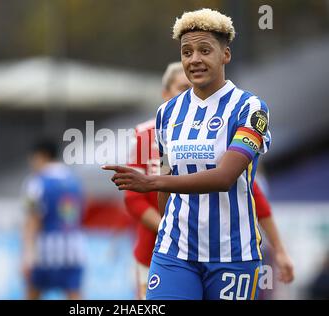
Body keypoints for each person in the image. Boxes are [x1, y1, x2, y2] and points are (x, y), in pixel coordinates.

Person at [104, 8, 274, 300]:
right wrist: (165, 223)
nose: (194, 59)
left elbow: (224, 177)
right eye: (187, 52)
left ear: (226, 55)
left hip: (233, 254)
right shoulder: (168, 113)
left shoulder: (250, 109)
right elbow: (167, 175)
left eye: (204, 50)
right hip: (175, 252)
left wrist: (152, 182)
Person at [124, 62, 191, 300]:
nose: (189, 94)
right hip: (152, 251)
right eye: (182, 88)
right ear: (165, 94)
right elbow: (133, 199)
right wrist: (168, 229)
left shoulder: (214, 133)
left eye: (193, 88)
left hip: (203, 251)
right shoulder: (145, 135)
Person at [22, 139, 85, 300]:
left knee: (33, 293)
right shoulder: (74, 181)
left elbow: (32, 218)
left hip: (44, 253)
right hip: (73, 250)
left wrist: (27, 255)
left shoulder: (36, 183)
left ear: (41, 156)